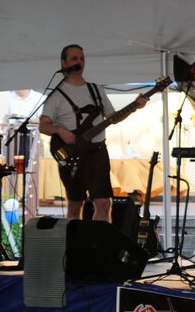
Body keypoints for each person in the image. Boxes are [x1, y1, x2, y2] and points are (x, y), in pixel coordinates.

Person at [39, 44, 149, 222]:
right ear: (64, 62)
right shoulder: (56, 95)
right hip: (72, 153)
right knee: (75, 205)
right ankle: (75, 239)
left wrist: (134, 106)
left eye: (82, 58)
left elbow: (113, 117)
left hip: (97, 152)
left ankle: (99, 239)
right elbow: (43, 126)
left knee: (104, 203)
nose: (79, 62)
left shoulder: (96, 89)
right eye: (74, 58)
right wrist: (59, 129)